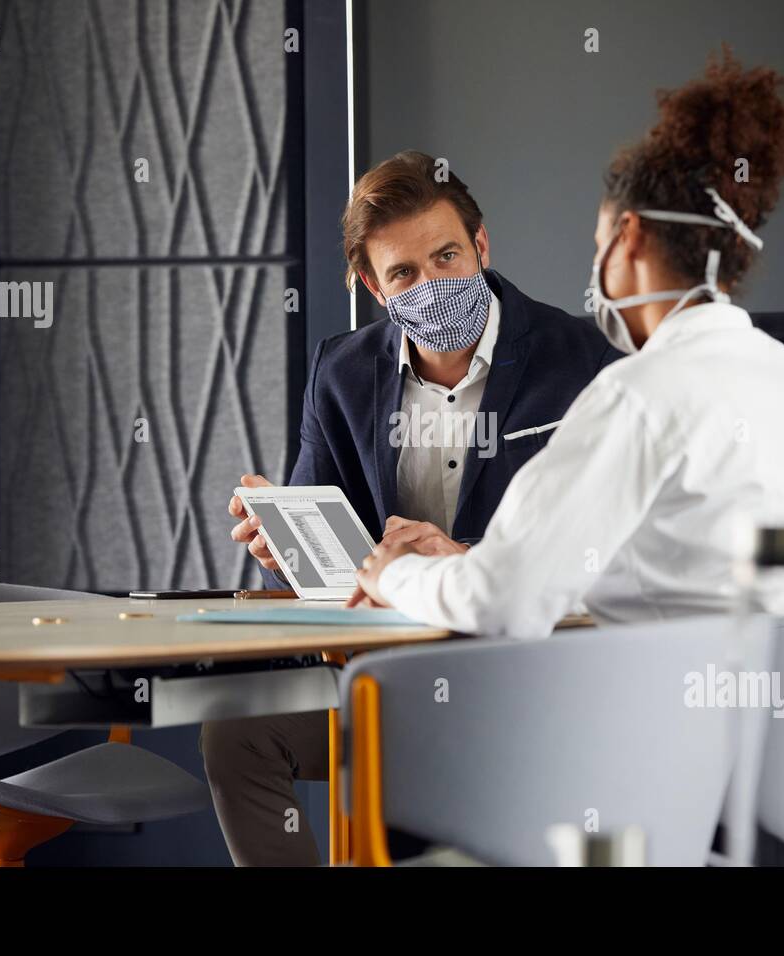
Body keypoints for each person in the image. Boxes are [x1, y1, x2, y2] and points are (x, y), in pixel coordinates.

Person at [201, 150, 621, 865]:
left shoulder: (581, 358)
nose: (433, 284)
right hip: (386, 680)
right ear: (372, 284)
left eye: (448, 256)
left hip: (528, 679)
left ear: (481, 246)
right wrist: (285, 551)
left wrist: (473, 565)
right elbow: (322, 580)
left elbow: (613, 555)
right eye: (404, 273)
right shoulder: (342, 372)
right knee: (238, 733)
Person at [354, 50, 784, 636]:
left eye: (600, 244)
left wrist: (394, 573)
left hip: (656, 717)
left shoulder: (637, 395)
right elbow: (709, 575)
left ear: (629, 238)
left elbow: (501, 602)